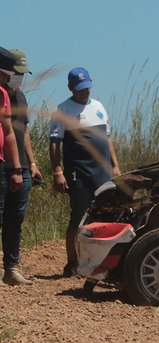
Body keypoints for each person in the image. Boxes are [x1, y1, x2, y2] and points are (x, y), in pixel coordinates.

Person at [50, 67, 121, 277]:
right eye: (80, 89)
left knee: (106, 214)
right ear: (70, 88)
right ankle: (72, 263)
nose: (85, 92)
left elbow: (107, 139)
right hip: (78, 173)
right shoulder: (62, 110)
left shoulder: (99, 106)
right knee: (79, 217)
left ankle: (103, 261)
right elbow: (54, 143)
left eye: (87, 87)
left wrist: (115, 165)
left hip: (103, 173)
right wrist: (57, 171)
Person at [0, 49, 42, 285]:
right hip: (4, 165)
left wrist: (32, 163)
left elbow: (23, 130)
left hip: (22, 167)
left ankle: (12, 268)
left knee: (15, 220)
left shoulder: (21, 97)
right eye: (16, 74)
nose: (19, 79)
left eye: (22, 75)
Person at [0, 47, 25, 285]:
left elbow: (10, 133)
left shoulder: (4, 96)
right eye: (4, 74)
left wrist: (17, 168)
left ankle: (10, 268)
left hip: (2, 164)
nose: (8, 79)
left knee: (7, 218)